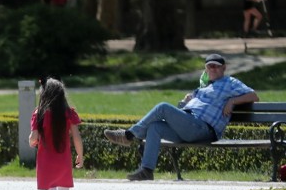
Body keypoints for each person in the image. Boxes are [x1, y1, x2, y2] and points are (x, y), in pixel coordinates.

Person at [104, 54, 259, 181]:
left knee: (163, 107)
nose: (212, 68)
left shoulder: (230, 82)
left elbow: (254, 96)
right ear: (206, 69)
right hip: (190, 126)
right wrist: (189, 101)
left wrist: (232, 101)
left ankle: (129, 135)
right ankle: (146, 170)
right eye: (209, 66)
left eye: (216, 66)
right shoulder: (203, 87)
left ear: (223, 68)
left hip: (203, 128)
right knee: (155, 127)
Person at [29, 78, 84, 190]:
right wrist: (80, 154)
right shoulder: (68, 113)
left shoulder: (39, 113)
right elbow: (76, 136)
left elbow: (33, 139)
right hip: (63, 160)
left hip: (45, 162)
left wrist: (33, 141)